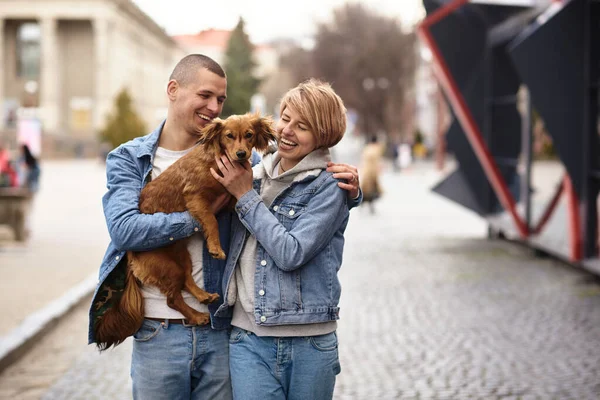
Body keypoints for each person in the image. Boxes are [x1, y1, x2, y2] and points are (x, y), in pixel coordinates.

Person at [87, 55, 361, 400]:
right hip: (158, 330)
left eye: (220, 99)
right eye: (204, 95)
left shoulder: (244, 161)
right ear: (173, 89)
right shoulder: (131, 158)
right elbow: (125, 230)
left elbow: (291, 180)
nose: (213, 107)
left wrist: (350, 191)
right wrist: (200, 219)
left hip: (222, 329)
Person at [211, 78, 358, 400]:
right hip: (248, 338)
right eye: (286, 118)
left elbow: (291, 252)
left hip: (309, 342)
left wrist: (244, 197)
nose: (288, 130)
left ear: (323, 135)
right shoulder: (249, 170)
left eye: (302, 126)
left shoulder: (330, 186)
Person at [360, 135, 384, 214]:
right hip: (371, 173)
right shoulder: (375, 149)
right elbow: (375, 162)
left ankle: (364, 203)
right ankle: (366, 204)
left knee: (368, 190)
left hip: (366, 172)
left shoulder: (367, 148)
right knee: (372, 190)